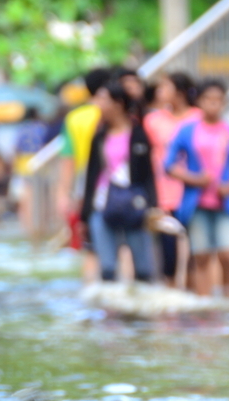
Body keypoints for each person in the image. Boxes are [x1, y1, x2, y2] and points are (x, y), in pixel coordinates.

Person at [165, 80, 229, 298]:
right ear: (200, 102)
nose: (213, 105)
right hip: (196, 204)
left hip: (225, 205)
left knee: (228, 255)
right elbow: (169, 165)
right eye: (208, 100)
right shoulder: (186, 131)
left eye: (218, 100)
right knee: (200, 256)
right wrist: (194, 179)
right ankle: (205, 302)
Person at [80, 81, 157, 282]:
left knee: (143, 269)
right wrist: (85, 213)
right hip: (103, 203)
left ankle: (139, 310)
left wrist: (153, 204)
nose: (99, 105)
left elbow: (148, 173)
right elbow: (92, 174)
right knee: (107, 268)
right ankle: (110, 311)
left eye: (104, 100)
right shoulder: (99, 137)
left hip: (134, 205)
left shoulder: (138, 135)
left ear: (118, 103)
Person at [144, 72, 201, 287]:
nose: (159, 93)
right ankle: (170, 296)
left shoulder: (199, 117)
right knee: (168, 252)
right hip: (163, 194)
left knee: (196, 251)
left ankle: (194, 294)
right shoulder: (153, 121)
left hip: (194, 193)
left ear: (180, 91)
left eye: (165, 87)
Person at [58, 68, 112, 281]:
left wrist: (64, 194)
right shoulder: (114, 113)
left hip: (84, 185)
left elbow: (67, 161)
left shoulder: (74, 118)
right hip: (112, 184)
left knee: (90, 248)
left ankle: (90, 295)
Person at [13, 107, 49, 235]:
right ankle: (41, 226)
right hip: (42, 164)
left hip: (24, 165)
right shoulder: (42, 128)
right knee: (42, 198)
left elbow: (16, 149)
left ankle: (26, 226)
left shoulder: (21, 130)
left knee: (26, 199)